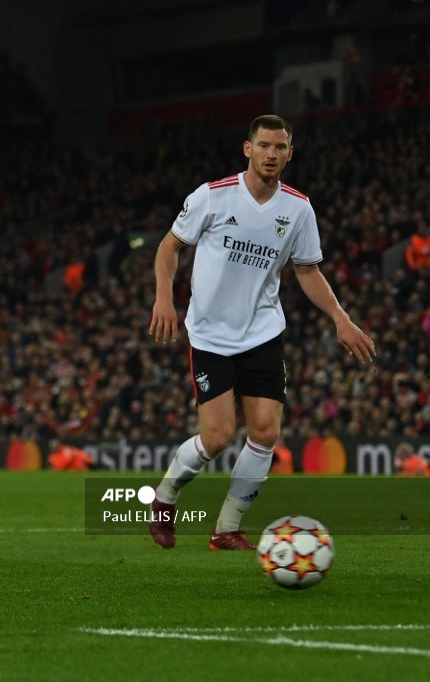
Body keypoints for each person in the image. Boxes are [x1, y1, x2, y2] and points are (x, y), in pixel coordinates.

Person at [148, 114, 376, 550]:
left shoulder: (297, 208)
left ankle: (227, 528)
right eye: (264, 146)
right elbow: (168, 246)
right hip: (211, 335)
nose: (272, 154)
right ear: (248, 149)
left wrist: (340, 317)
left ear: (290, 154)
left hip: (263, 332)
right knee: (216, 437)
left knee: (266, 432)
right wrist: (164, 297)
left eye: (280, 147)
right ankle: (165, 497)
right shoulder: (213, 197)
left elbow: (307, 270)